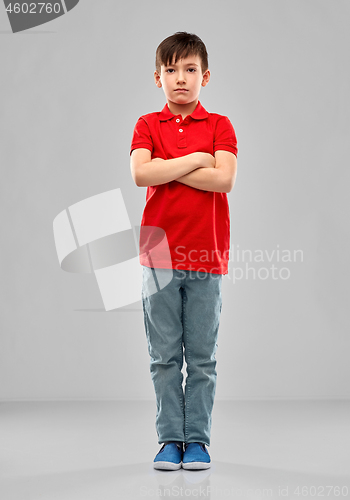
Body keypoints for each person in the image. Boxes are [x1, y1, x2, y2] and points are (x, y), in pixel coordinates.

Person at [130, 32, 238, 470]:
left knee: (203, 357)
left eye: (189, 69)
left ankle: (198, 442)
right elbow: (140, 174)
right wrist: (198, 158)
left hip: (206, 254)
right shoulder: (146, 124)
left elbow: (224, 180)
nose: (180, 78)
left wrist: (167, 169)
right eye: (170, 70)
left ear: (205, 76)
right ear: (157, 77)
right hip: (157, 257)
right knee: (164, 357)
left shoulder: (220, 125)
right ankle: (169, 440)